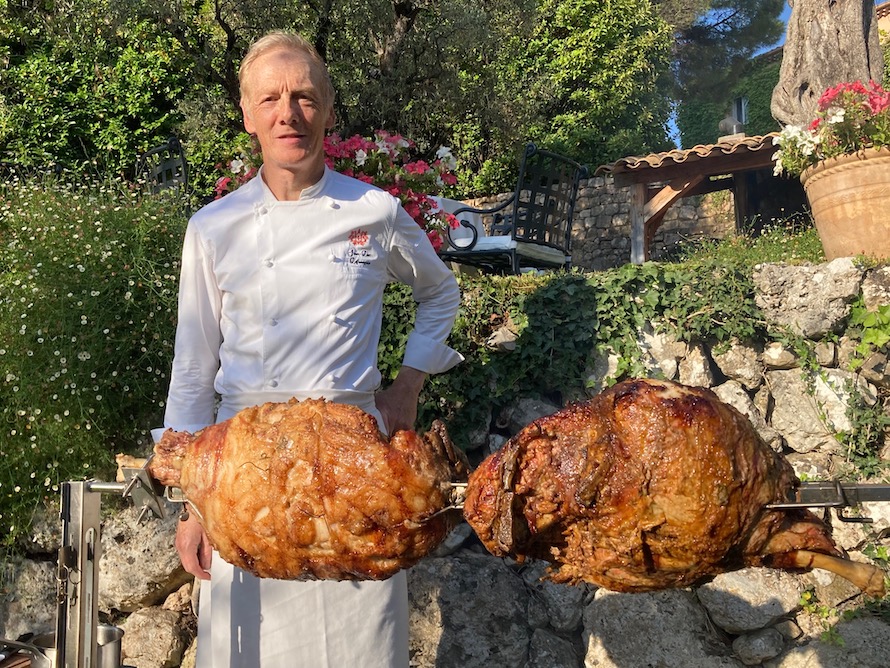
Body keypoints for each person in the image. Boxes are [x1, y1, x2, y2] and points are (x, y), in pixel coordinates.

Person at [160, 30, 462, 668]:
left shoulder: (374, 210)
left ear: (327, 108)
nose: (287, 113)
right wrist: (192, 506)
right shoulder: (212, 228)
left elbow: (439, 291)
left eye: (303, 96)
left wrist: (407, 386)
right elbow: (193, 369)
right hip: (241, 481)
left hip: (351, 472)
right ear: (247, 115)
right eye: (269, 98)